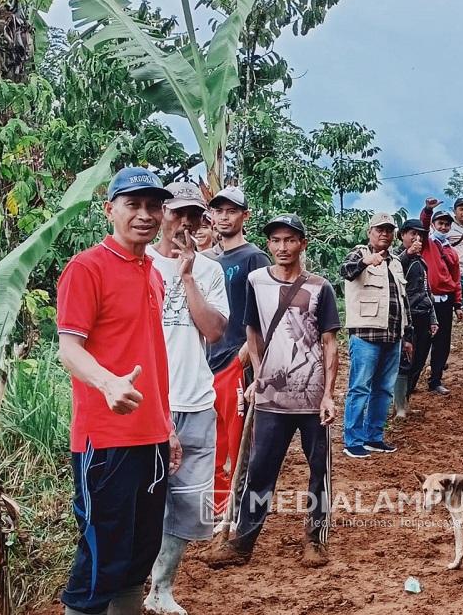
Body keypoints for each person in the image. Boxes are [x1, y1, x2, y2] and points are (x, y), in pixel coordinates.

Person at [56, 167, 181, 615]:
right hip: (105, 440)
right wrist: (106, 382)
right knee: (100, 559)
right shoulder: (87, 267)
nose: (145, 215)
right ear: (110, 210)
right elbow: (69, 348)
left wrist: (166, 426)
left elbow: (150, 355)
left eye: (153, 206)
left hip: (151, 439)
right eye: (133, 204)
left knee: (137, 556)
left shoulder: (153, 272)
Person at [202, 214, 340, 569]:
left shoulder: (320, 287)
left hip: (311, 398)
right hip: (271, 397)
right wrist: (257, 377)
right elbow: (252, 332)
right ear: (268, 244)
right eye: (276, 240)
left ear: (302, 244)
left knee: (318, 471)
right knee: (260, 469)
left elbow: (329, 343)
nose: (283, 247)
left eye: (290, 240)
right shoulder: (255, 281)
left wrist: (328, 394)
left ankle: (315, 539)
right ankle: (243, 542)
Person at [144, 184, 229, 615]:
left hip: (195, 400)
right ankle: (126, 584)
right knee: (142, 500)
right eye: (179, 214)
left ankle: (161, 589)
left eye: (195, 216)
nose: (187, 224)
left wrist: (189, 274)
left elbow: (213, 331)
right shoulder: (138, 263)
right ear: (162, 214)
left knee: (184, 504)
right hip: (145, 403)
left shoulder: (210, 270)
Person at [207, 186, 271, 518]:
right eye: (218, 211)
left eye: (231, 211)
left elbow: (266, 314)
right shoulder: (210, 260)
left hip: (236, 359)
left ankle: (239, 504)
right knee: (214, 440)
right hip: (209, 361)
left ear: (245, 216)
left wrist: (244, 356)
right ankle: (218, 503)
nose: (224, 217)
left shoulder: (254, 258)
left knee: (238, 440)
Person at [341, 213, 412, 458]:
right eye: (379, 229)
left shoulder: (395, 262)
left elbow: (404, 301)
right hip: (365, 334)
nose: (384, 234)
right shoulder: (358, 253)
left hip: (393, 336)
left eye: (389, 230)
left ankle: (374, 437)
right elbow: (345, 270)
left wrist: (408, 335)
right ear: (369, 231)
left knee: (383, 389)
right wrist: (365, 262)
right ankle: (352, 440)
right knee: (359, 388)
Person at [421, 196, 463, 345]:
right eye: (462, 209)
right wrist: (428, 210)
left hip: (462, 273)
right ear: (455, 211)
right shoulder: (433, 239)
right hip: (443, 278)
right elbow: (423, 229)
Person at [394, 218, 439, 417]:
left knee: (419, 361)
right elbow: (391, 277)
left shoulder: (421, 263)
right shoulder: (395, 258)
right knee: (404, 361)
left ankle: (406, 400)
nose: (416, 238)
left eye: (420, 234)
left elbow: (427, 290)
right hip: (405, 318)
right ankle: (399, 405)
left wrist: (433, 318)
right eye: (412, 233)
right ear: (402, 235)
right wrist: (407, 254)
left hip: (422, 316)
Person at [420, 209, 463, 394]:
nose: (444, 227)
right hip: (427, 301)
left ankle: (435, 379)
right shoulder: (427, 244)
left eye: (447, 224)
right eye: (440, 223)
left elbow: (456, 279)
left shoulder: (452, 252)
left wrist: (458, 304)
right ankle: (410, 381)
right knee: (422, 340)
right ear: (434, 225)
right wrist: (428, 210)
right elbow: (422, 226)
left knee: (442, 341)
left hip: (445, 301)